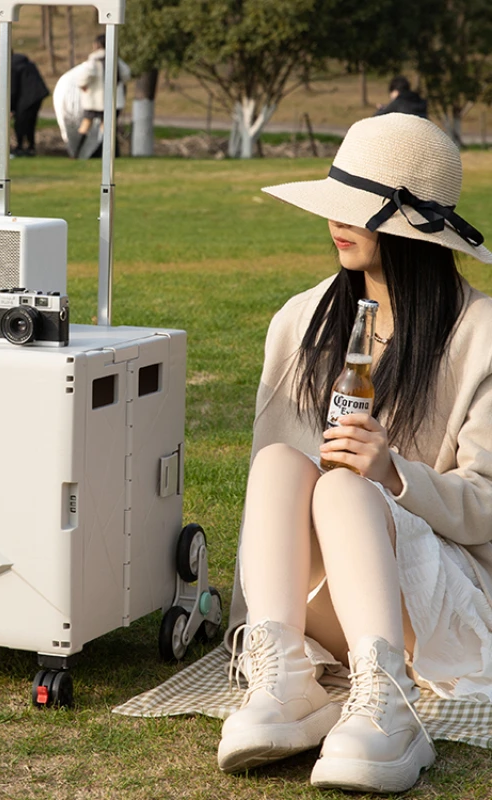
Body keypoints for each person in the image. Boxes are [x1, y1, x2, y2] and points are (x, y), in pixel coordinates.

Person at [218, 112, 492, 794]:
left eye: (358, 210)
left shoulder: (480, 334)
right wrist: (247, 619)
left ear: (407, 230)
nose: (336, 223)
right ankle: (282, 681)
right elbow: (270, 507)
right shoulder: (302, 320)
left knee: (343, 486)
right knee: (280, 462)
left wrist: (395, 473)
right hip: (330, 604)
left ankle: (389, 710)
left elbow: (486, 505)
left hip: (443, 612)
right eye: (334, 204)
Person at [73, 33, 131, 158]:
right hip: (113, 101)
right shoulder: (116, 59)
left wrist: (82, 85)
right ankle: (112, 154)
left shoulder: (94, 60)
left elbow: (85, 76)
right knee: (108, 128)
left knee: (86, 125)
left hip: (95, 101)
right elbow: (126, 74)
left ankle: (77, 153)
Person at [8, 50, 49, 156]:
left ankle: (20, 147)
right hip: (37, 95)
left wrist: (10, 108)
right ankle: (30, 147)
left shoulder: (12, 66)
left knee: (20, 122)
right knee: (30, 122)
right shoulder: (26, 62)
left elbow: (13, 89)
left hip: (28, 97)